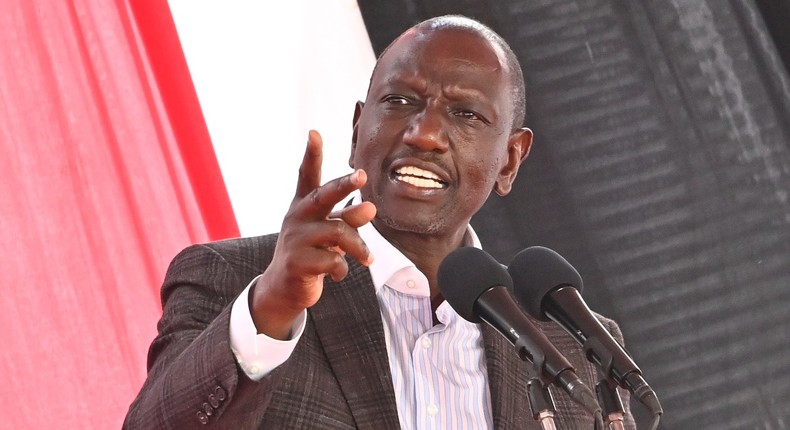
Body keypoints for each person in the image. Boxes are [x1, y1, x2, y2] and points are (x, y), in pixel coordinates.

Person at [124, 15, 636, 429]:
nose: (426, 133)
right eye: (400, 101)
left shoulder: (575, 346)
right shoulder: (237, 282)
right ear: (356, 129)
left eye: (466, 114)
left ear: (509, 160)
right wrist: (269, 310)